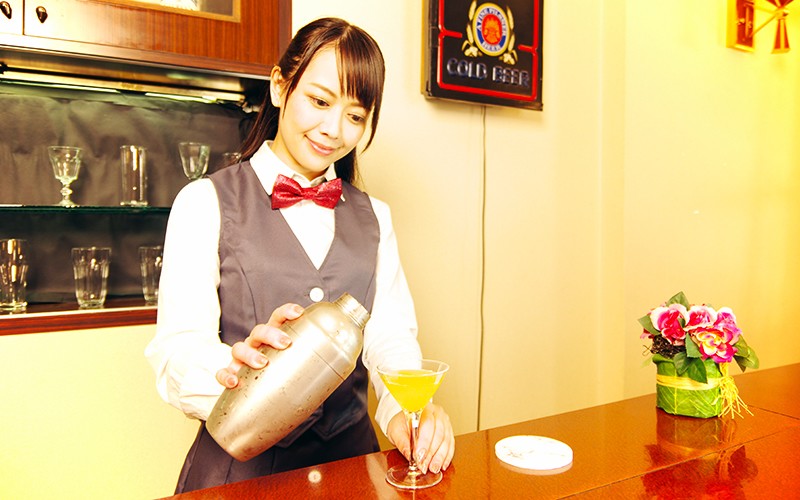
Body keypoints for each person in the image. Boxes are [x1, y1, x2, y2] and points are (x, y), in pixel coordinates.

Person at [144, 17, 455, 493]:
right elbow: (177, 350)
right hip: (240, 476)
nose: (334, 130)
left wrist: (406, 413)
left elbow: (389, 337)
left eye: (355, 116)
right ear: (278, 87)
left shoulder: (376, 216)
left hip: (350, 469)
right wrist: (235, 373)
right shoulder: (203, 202)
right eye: (320, 101)